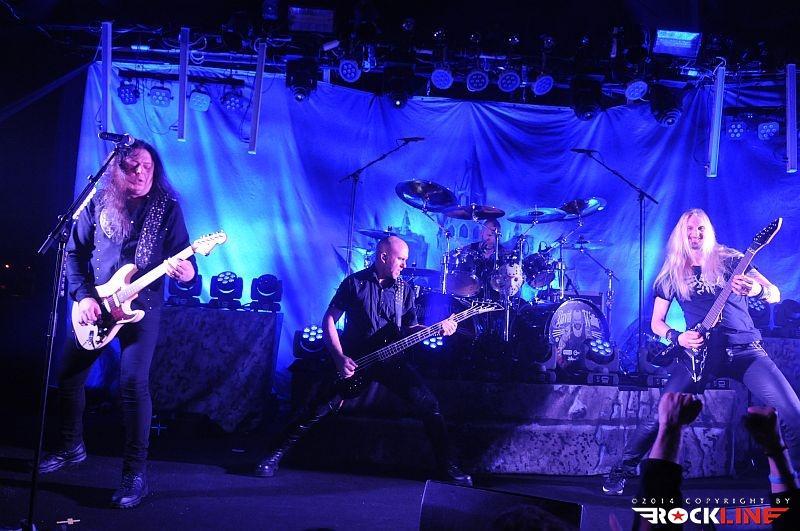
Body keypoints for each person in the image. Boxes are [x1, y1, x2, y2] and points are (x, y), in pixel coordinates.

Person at [38, 140, 196, 508]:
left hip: (142, 308)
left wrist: (188, 272)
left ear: (155, 171)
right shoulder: (98, 202)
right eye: (132, 166)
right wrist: (83, 297)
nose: (140, 172)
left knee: (132, 384)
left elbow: (186, 261)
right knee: (68, 376)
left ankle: (134, 474)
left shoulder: (167, 208)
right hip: (98, 304)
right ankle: (71, 446)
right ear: (116, 169)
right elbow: (74, 253)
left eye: (147, 167)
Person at [603, 208, 800, 496]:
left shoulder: (732, 259)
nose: (695, 235)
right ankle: (621, 469)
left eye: (700, 229)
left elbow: (776, 293)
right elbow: (657, 323)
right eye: (689, 230)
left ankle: (792, 484)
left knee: (794, 412)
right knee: (661, 414)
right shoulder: (671, 273)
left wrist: (756, 291)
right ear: (680, 235)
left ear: (709, 232)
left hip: (744, 350)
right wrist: (678, 336)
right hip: (699, 356)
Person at [255, 235, 472, 486]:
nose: (405, 265)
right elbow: (329, 320)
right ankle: (273, 455)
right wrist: (339, 358)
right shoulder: (354, 283)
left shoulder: (405, 290)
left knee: (430, 405)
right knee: (316, 407)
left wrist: (435, 330)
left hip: (392, 360)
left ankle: (449, 467)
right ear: (384, 257)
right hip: (356, 361)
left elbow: (410, 328)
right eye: (401, 259)